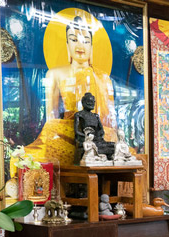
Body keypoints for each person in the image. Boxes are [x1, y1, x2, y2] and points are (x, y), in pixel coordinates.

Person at [24, 13, 117, 166]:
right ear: (67, 44)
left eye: (86, 41)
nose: (80, 46)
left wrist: (102, 136)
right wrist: (81, 137)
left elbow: (109, 121)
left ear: (91, 46)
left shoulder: (103, 78)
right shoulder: (54, 74)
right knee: (44, 148)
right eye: (74, 40)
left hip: (98, 138)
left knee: (115, 143)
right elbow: (51, 118)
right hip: (66, 133)